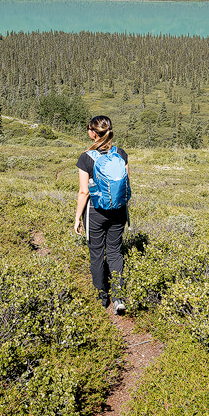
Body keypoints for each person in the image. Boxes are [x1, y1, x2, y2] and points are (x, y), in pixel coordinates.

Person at [73, 115, 130, 314]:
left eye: (88, 127)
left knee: (96, 253)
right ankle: (118, 298)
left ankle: (102, 297)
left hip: (94, 211)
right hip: (119, 211)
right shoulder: (121, 154)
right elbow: (126, 184)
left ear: (93, 133)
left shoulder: (86, 157)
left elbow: (84, 192)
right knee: (115, 252)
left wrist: (77, 217)